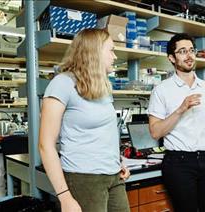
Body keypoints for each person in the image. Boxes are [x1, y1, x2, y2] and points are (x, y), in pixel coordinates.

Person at [38, 29, 130, 212]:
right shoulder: (62, 83)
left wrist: (117, 161)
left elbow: (102, 133)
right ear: (94, 52)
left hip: (113, 175)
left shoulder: (102, 86)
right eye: (111, 50)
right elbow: (45, 145)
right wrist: (64, 196)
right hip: (83, 179)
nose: (115, 56)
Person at [148, 33, 205, 212]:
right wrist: (181, 109)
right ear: (171, 58)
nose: (189, 55)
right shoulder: (161, 90)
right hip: (178, 163)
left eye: (191, 50)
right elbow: (155, 132)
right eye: (182, 51)